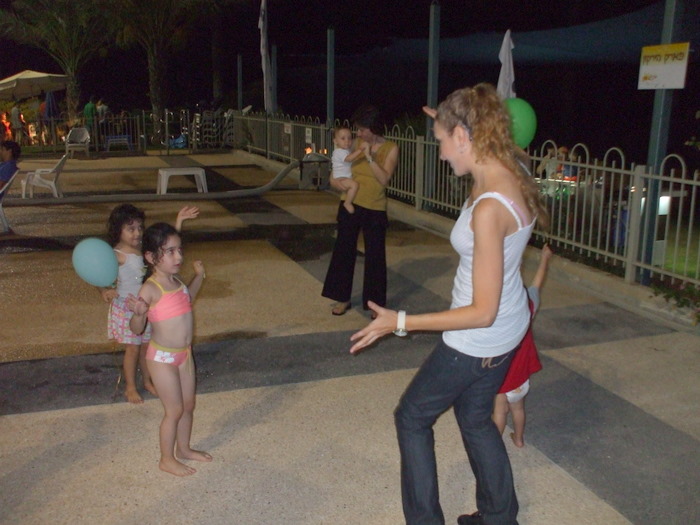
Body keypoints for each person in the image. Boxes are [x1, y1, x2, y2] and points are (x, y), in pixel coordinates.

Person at [349, 83, 549, 525]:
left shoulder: (490, 208)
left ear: (464, 136)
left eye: (442, 141)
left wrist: (400, 321)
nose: (440, 154)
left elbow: (481, 311)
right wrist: (447, 119)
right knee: (475, 418)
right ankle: (500, 517)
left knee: (412, 417)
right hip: (509, 330)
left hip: (477, 339)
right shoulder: (512, 168)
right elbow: (490, 134)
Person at [127, 222, 212, 476]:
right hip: (162, 358)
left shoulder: (176, 281)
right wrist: (139, 314)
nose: (178, 257)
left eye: (179, 250)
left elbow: (188, 299)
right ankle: (166, 459)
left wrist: (199, 277)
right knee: (174, 410)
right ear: (151, 257)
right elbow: (136, 329)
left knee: (188, 405)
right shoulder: (151, 288)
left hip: (184, 355)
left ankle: (183, 449)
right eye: (170, 252)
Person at [101, 204, 200, 404]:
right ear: (118, 230)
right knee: (133, 349)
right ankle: (130, 386)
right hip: (129, 308)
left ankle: (147, 380)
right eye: (131, 229)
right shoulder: (116, 254)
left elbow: (165, 246)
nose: (137, 233)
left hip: (150, 305)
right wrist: (104, 290)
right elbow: (96, 272)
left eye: (140, 227)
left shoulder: (143, 249)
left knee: (147, 346)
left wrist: (179, 221)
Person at [322, 105, 399, 317]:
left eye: (362, 129)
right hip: (351, 202)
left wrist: (369, 157)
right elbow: (339, 168)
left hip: (375, 206)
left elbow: (384, 179)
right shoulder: (353, 143)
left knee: (375, 256)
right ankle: (342, 297)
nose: (358, 133)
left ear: (373, 128)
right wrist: (335, 182)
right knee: (343, 251)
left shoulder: (390, 148)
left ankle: (375, 304)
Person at [492, 244, 553, 448]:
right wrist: (544, 259)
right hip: (521, 377)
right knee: (518, 409)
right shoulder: (529, 304)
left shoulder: (498, 313)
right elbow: (537, 283)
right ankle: (518, 439)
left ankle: (494, 447)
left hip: (503, 375)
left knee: (500, 412)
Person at [330, 126, 363, 214]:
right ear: (335, 141)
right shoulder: (339, 152)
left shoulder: (345, 150)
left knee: (353, 185)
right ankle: (347, 203)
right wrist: (360, 150)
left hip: (343, 177)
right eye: (343, 138)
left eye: (349, 138)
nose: (347, 141)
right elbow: (349, 159)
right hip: (341, 178)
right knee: (354, 185)